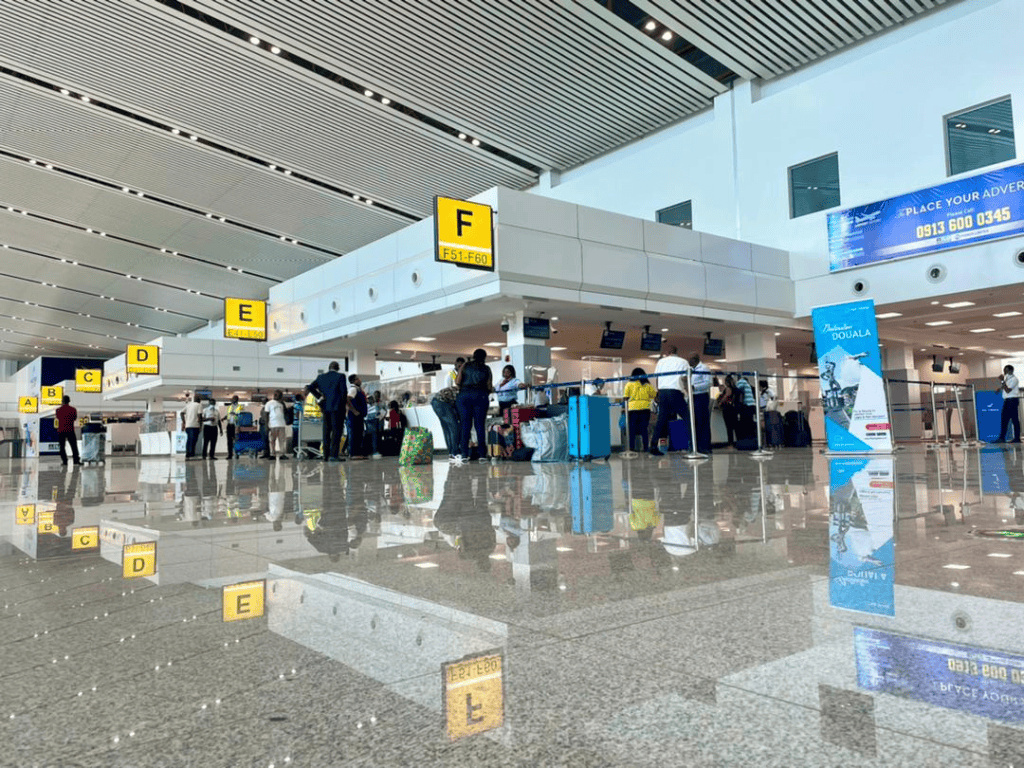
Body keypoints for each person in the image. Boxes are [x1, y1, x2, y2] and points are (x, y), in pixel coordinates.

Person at [650, 345, 689, 457]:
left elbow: (657, 377)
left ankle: (653, 446)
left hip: (663, 392)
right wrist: (687, 390)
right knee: (688, 418)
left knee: (661, 420)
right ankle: (693, 445)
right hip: (675, 392)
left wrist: (659, 392)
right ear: (677, 351)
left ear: (668, 352)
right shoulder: (683, 361)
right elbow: (684, 378)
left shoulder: (661, 361)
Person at [455, 348, 493, 463]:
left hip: (465, 396)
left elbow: (457, 381)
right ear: (484, 357)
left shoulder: (465, 366)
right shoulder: (486, 368)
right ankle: (482, 455)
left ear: (473, 356)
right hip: (480, 396)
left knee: (465, 425)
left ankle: (464, 455)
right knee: (480, 426)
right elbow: (489, 386)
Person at [307, 361, 348, 461]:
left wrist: (320, 397)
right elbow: (343, 393)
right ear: (337, 367)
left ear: (329, 367)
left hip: (325, 408)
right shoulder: (340, 376)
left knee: (326, 431)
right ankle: (333, 456)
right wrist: (344, 407)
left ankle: (325, 455)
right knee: (336, 432)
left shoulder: (321, 377)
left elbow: (310, 387)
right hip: (337, 408)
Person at [623, 368, 657, 452]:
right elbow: (654, 395)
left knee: (632, 429)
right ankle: (645, 447)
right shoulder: (647, 385)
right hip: (645, 409)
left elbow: (625, 398)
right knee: (644, 429)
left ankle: (631, 448)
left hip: (633, 409)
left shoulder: (629, 384)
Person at [689, 354, 713, 453]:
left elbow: (708, 383)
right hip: (692, 397)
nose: (688, 362)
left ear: (695, 360)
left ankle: (705, 447)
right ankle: (696, 446)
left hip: (701, 396)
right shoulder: (690, 369)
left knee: (702, 422)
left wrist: (694, 387)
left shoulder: (704, 368)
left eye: (690, 360)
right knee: (694, 422)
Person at [431, 384, 461, 456]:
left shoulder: (456, 390)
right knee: (454, 427)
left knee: (446, 428)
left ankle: (451, 452)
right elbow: (458, 407)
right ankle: (455, 452)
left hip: (435, 402)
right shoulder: (461, 392)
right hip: (442, 402)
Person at [55, 394, 80, 466]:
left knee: (62, 447)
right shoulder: (73, 409)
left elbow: (58, 417)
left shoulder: (58, 410)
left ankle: (65, 461)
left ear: (62, 401)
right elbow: (74, 418)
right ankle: (76, 460)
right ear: (69, 401)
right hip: (70, 430)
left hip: (61, 430)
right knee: (74, 446)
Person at [998, 364, 1021, 443]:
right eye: (1004, 370)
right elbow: (1005, 387)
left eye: (1006, 370)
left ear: (1011, 371)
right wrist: (1000, 388)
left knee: (1014, 420)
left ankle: (1017, 438)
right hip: (1008, 401)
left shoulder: (1014, 379)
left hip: (1012, 401)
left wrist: (1002, 380)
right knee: (1004, 419)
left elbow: (1008, 390)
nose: (1004, 372)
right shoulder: (1007, 378)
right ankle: (1002, 438)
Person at [346, 374, 368, 460]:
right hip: (354, 416)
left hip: (359, 415)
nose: (360, 380)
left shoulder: (358, 389)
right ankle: (354, 453)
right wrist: (354, 411)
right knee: (355, 434)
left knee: (359, 434)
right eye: (359, 379)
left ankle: (358, 453)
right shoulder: (353, 389)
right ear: (355, 380)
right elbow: (348, 399)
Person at [263, 390, 289, 460]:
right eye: (276, 395)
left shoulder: (282, 404)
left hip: (281, 424)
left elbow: (285, 412)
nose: (277, 396)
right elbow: (266, 415)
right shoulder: (269, 403)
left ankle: (282, 454)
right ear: (274, 395)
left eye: (279, 395)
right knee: (272, 440)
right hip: (272, 425)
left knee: (282, 440)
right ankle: (272, 454)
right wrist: (267, 425)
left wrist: (283, 403)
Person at [717, 374, 739, 447]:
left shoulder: (728, 388)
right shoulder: (735, 388)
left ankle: (731, 443)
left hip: (728, 409)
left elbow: (726, 396)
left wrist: (720, 402)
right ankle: (737, 442)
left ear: (726, 382)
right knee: (735, 427)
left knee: (729, 427)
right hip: (733, 409)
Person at [180, 393, 202, 460]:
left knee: (189, 440)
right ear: (199, 400)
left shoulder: (188, 405)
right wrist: (200, 425)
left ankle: (188, 454)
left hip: (188, 426)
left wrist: (184, 422)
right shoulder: (199, 405)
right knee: (194, 440)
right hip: (195, 425)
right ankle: (191, 455)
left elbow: (181, 413)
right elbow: (199, 416)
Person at [224, 395, 244, 460]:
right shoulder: (229, 407)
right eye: (232, 399)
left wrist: (235, 414)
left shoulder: (240, 407)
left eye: (234, 399)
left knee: (236, 440)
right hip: (230, 425)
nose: (233, 400)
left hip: (236, 425)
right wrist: (224, 418)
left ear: (237, 400)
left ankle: (237, 454)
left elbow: (241, 415)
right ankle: (230, 454)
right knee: (229, 441)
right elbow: (228, 415)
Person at [365, 391, 383, 458]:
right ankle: (374, 451)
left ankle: (374, 451)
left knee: (375, 436)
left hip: (374, 422)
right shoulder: (370, 406)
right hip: (370, 422)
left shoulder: (377, 405)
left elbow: (379, 414)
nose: (370, 400)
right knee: (373, 436)